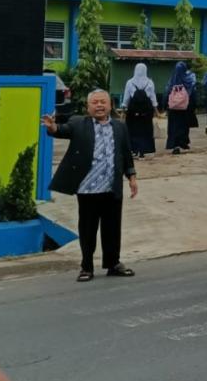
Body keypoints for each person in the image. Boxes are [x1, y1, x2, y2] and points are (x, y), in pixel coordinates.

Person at [43, 89, 139, 283]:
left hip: (112, 187)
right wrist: (52, 127)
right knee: (88, 230)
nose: (99, 105)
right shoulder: (79, 123)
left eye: (103, 102)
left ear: (110, 105)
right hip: (87, 189)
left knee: (112, 228)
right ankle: (86, 266)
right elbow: (61, 131)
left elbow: (126, 153)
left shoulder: (119, 127)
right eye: (95, 102)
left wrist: (132, 176)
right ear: (88, 107)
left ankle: (113, 264)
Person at [121, 63, 157, 159]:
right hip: (146, 111)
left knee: (132, 130)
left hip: (133, 110)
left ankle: (134, 150)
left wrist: (123, 110)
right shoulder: (150, 82)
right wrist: (156, 110)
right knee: (146, 130)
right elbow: (153, 97)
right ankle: (144, 151)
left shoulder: (130, 82)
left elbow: (126, 98)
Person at [165, 62, 194, 155]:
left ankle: (174, 145)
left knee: (173, 126)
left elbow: (167, 93)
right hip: (185, 108)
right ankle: (183, 143)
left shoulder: (171, 80)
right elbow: (193, 93)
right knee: (183, 126)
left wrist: (165, 105)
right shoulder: (188, 80)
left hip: (173, 108)